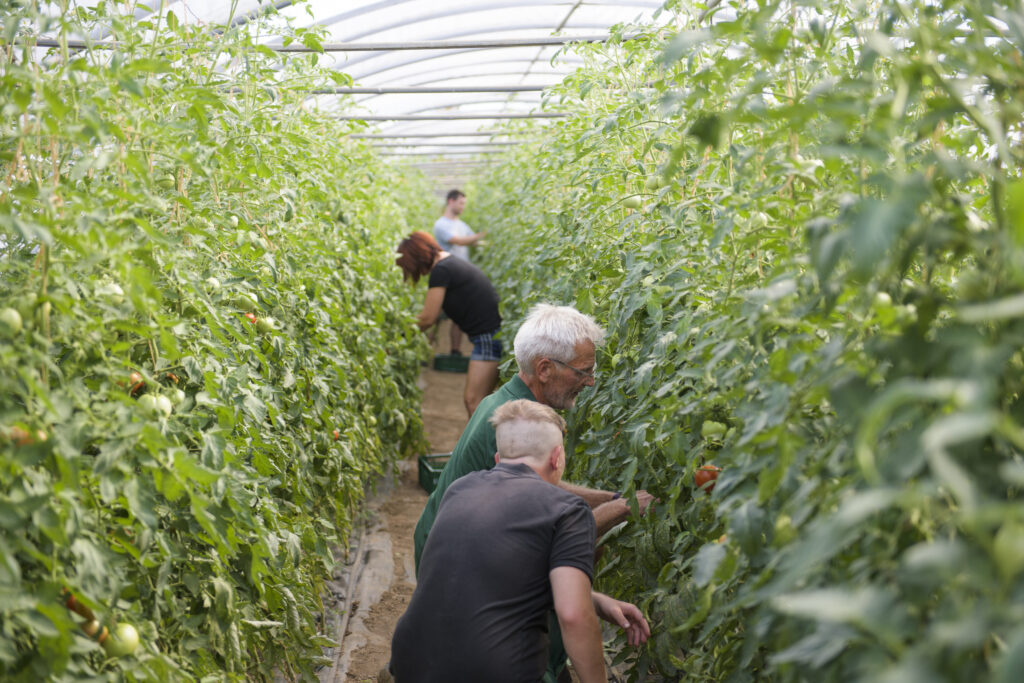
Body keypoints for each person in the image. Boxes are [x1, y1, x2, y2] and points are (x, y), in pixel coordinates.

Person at [411, 303, 656, 682]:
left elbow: (539, 488)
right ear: (545, 369)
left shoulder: (512, 413)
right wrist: (621, 509)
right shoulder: (513, 421)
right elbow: (545, 543)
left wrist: (608, 497)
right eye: (583, 371)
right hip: (464, 576)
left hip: (451, 565)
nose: (589, 382)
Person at [390, 400, 650, 683]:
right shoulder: (567, 510)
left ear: (498, 459)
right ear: (557, 458)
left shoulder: (460, 488)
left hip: (411, 665)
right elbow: (573, 616)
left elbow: (496, 578)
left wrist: (597, 602)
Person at [395, 231, 501, 416]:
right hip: (490, 335)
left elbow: (428, 318)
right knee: (480, 402)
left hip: (487, 338)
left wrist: (397, 338)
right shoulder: (449, 264)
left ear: (416, 258)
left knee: (474, 401)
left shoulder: (441, 270)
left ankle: (482, 446)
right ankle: (484, 444)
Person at [432, 190, 486, 355]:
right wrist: (483, 235)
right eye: (461, 203)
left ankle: (455, 350)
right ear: (451, 201)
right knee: (435, 314)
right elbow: (459, 241)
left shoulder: (462, 226)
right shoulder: (441, 224)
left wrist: (481, 241)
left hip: (462, 276)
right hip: (446, 275)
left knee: (459, 315)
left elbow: (473, 241)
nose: (463, 206)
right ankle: (426, 349)